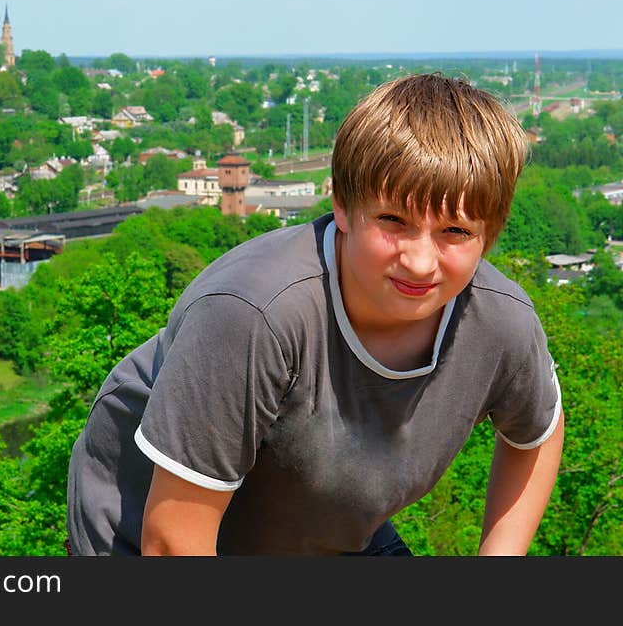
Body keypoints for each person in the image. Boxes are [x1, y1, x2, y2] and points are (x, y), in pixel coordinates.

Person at [66, 72, 565, 556]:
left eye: (454, 231)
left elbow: (538, 432)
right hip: (144, 535)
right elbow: (172, 542)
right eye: (394, 220)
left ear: (489, 233)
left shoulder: (501, 323)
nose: (419, 260)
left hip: (319, 530)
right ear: (343, 206)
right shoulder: (253, 315)